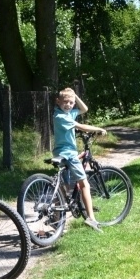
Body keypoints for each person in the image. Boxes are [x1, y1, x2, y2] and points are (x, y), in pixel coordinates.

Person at [53, 88, 108, 232]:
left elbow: (84, 109)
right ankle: (91, 219)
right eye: (65, 102)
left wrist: (75, 96)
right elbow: (81, 127)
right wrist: (98, 129)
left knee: (63, 188)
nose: (69, 105)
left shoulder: (68, 113)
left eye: (71, 102)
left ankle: (57, 224)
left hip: (60, 152)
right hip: (68, 153)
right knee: (84, 184)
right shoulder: (61, 117)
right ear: (58, 102)